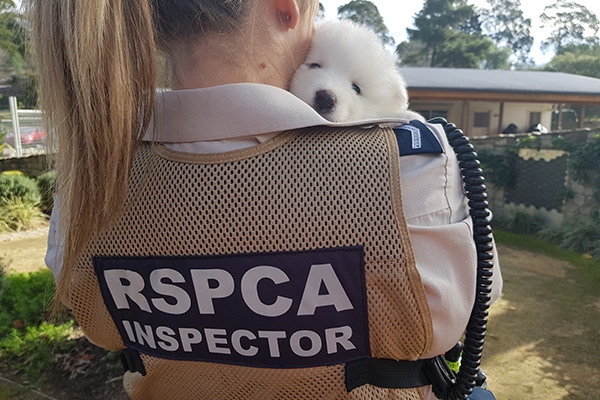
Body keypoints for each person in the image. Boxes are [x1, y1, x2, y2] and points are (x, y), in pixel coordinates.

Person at [29, 0, 502, 399]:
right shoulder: (414, 165)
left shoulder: (87, 184)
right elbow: (468, 309)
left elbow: (102, 328)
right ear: (287, 9)